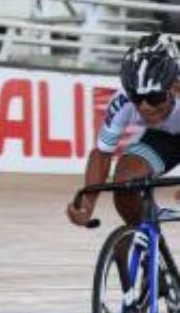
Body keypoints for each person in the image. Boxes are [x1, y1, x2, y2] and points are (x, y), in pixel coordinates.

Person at [67, 34, 180, 229]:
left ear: (173, 87)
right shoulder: (122, 102)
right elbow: (102, 154)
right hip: (165, 139)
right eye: (137, 97)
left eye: (154, 97)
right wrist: (86, 204)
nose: (145, 107)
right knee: (125, 183)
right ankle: (142, 240)